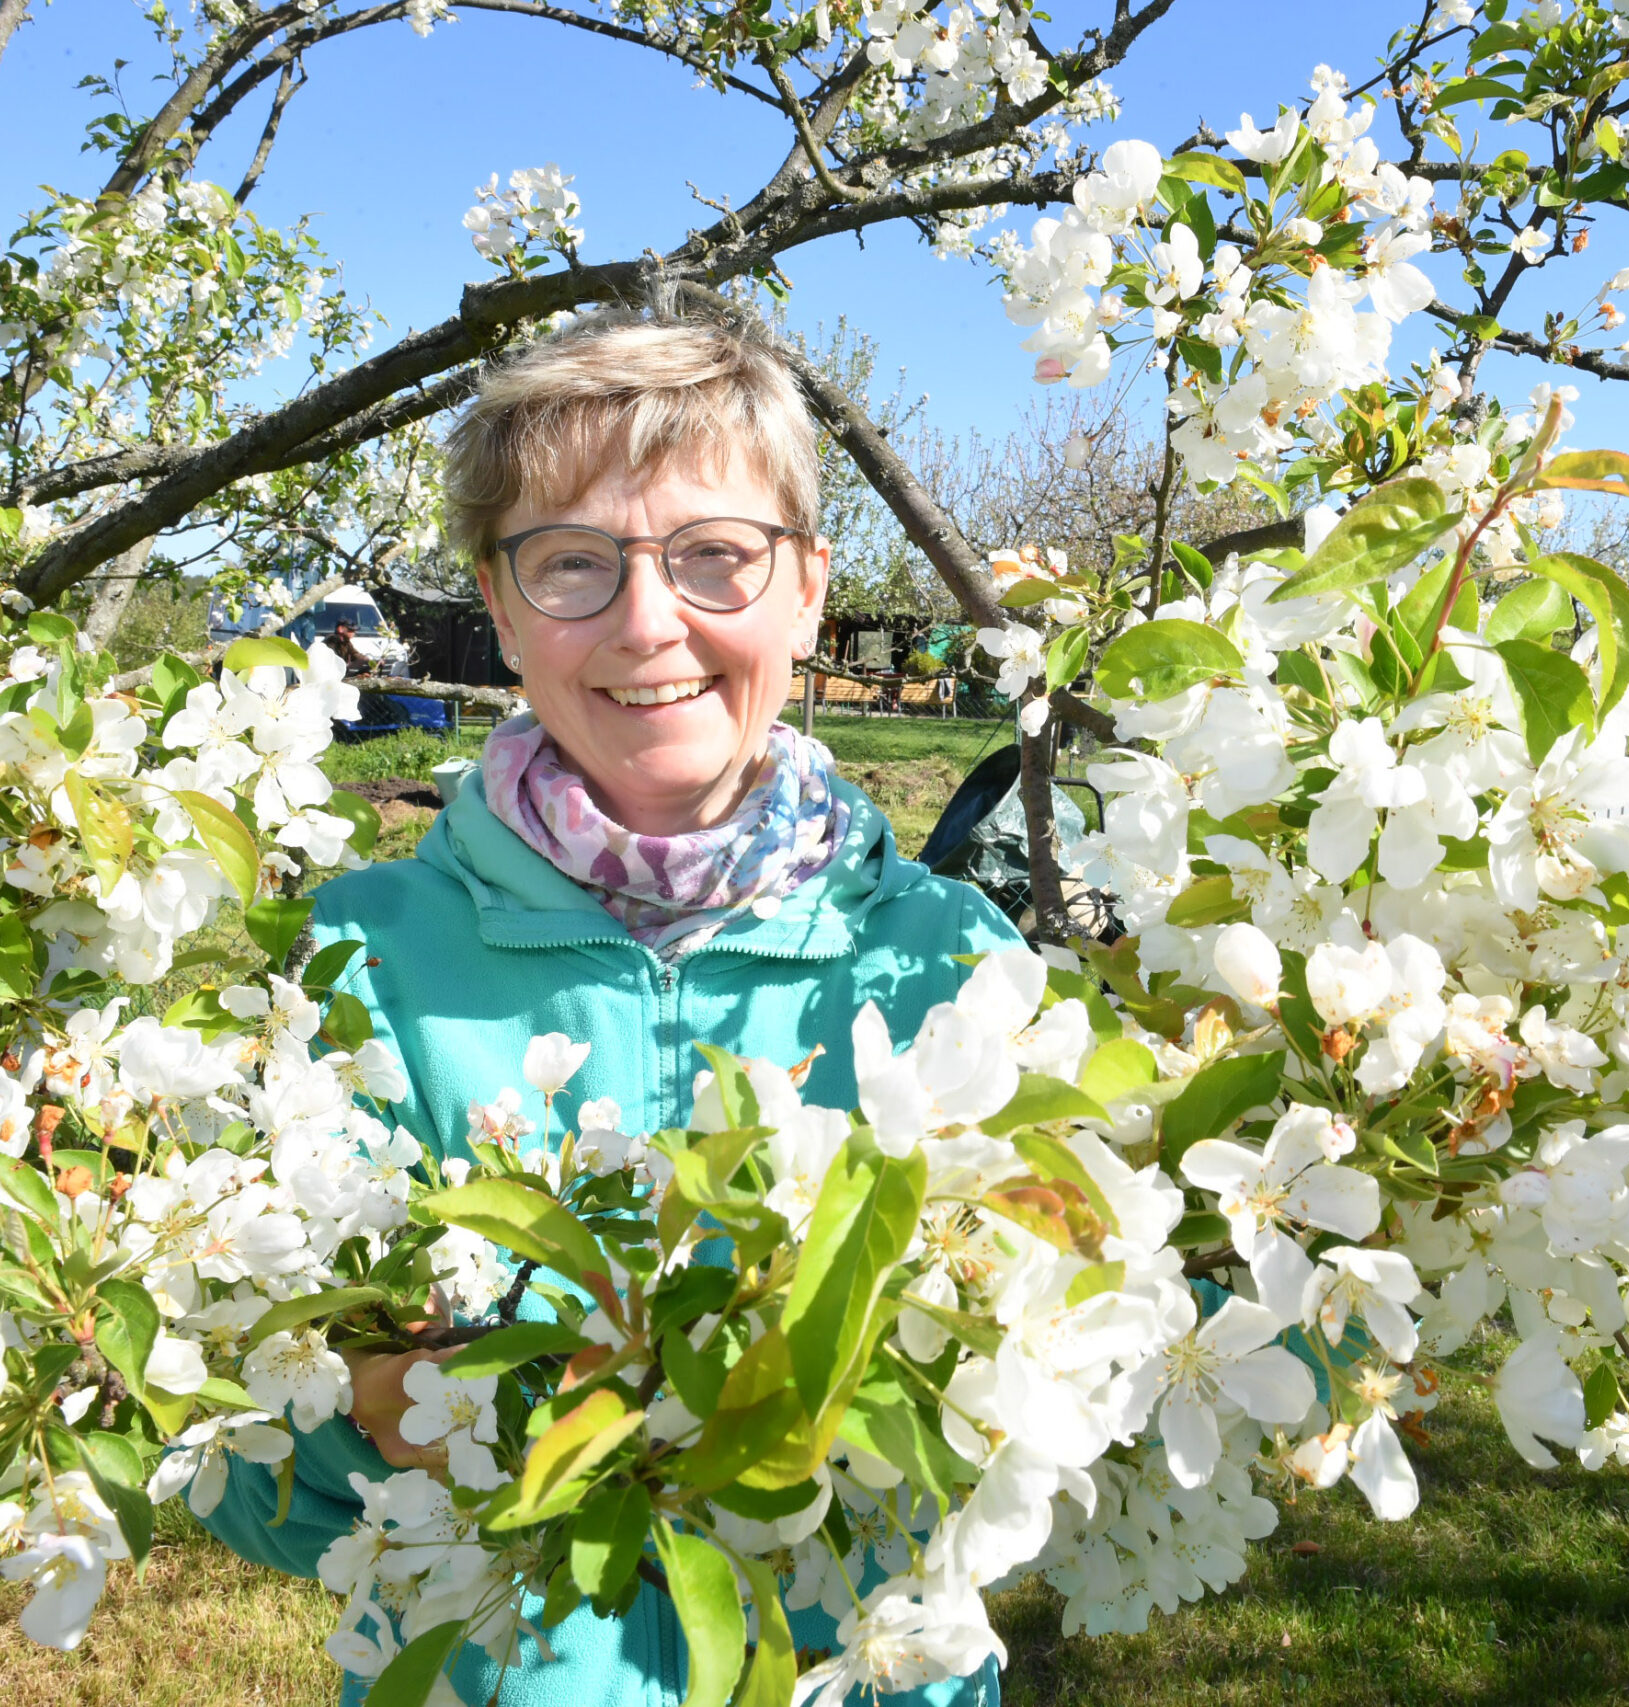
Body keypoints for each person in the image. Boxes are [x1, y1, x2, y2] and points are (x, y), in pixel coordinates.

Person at [191, 311, 1023, 1707]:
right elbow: (244, 1483)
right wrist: (370, 1423)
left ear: (810, 587)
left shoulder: (952, 961)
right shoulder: (358, 963)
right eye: (574, 560)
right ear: (500, 605)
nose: (649, 621)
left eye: (715, 556)